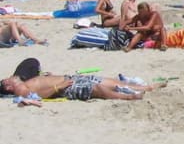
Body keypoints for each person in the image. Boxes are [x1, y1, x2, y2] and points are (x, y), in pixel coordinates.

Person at [1, 59, 162, 102]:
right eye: (6, 80)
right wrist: (58, 87)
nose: (8, 77)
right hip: (65, 87)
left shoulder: (23, 81)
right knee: (96, 88)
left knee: (108, 81)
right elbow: (38, 96)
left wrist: (51, 76)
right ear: (8, 87)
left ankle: (146, 88)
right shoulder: (20, 90)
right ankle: (129, 97)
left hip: (68, 79)